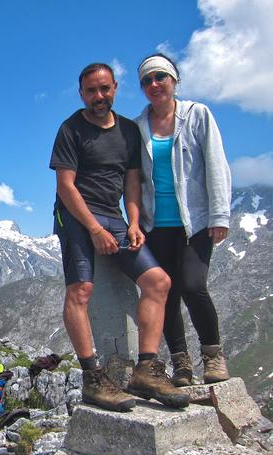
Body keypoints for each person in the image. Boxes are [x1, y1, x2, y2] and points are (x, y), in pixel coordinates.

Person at [49, 62, 189, 411]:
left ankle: (146, 370)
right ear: (81, 94)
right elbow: (66, 187)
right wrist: (94, 230)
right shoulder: (71, 128)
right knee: (80, 290)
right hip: (75, 216)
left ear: (115, 88)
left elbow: (131, 183)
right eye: (91, 91)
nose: (99, 96)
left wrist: (134, 222)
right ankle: (93, 378)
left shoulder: (128, 130)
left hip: (115, 218)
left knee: (158, 282)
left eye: (105, 89)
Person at [135, 53, 231, 386]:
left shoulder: (197, 115)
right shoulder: (137, 127)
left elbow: (216, 163)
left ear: (174, 80)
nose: (154, 84)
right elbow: (133, 179)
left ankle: (212, 355)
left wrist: (219, 215)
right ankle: (181, 363)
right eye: (147, 80)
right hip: (155, 225)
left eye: (160, 77)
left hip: (195, 222)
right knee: (166, 293)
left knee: (192, 284)